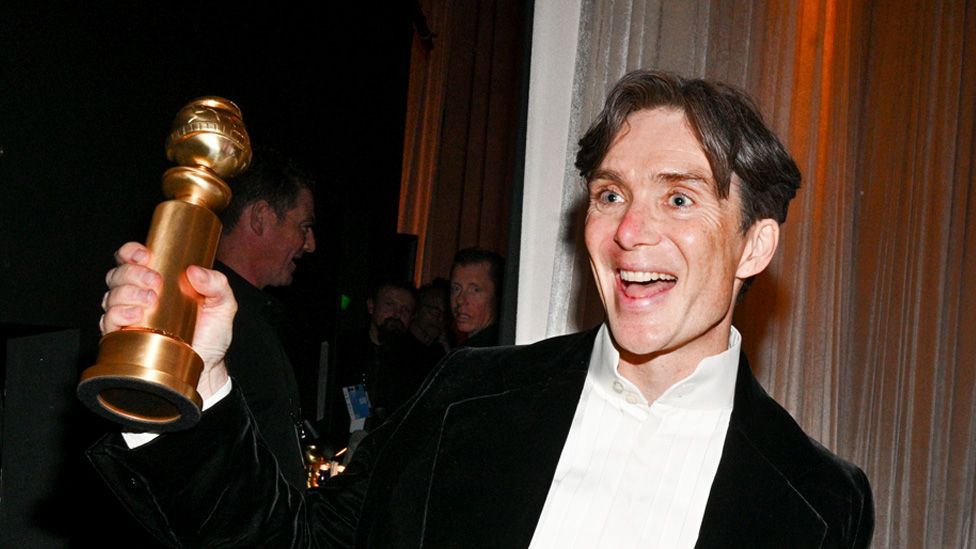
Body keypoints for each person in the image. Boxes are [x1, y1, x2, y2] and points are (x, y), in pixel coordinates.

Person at [88, 70, 873, 547]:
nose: (632, 231)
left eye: (679, 196)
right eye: (610, 194)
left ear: (755, 244)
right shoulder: (467, 397)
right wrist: (187, 381)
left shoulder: (816, 498)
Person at [211, 147, 317, 490]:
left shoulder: (255, 315)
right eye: (304, 226)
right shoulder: (208, 314)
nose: (310, 244)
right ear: (260, 217)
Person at [332, 280, 416, 436]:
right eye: (390, 305)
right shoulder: (344, 350)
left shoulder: (416, 363)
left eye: (405, 310)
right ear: (371, 306)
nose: (397, 315)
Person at [450, 247, 504, 348]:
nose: (460, 300)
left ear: (496, 295)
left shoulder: (490, 353)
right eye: (456, 289)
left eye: (475, 290)